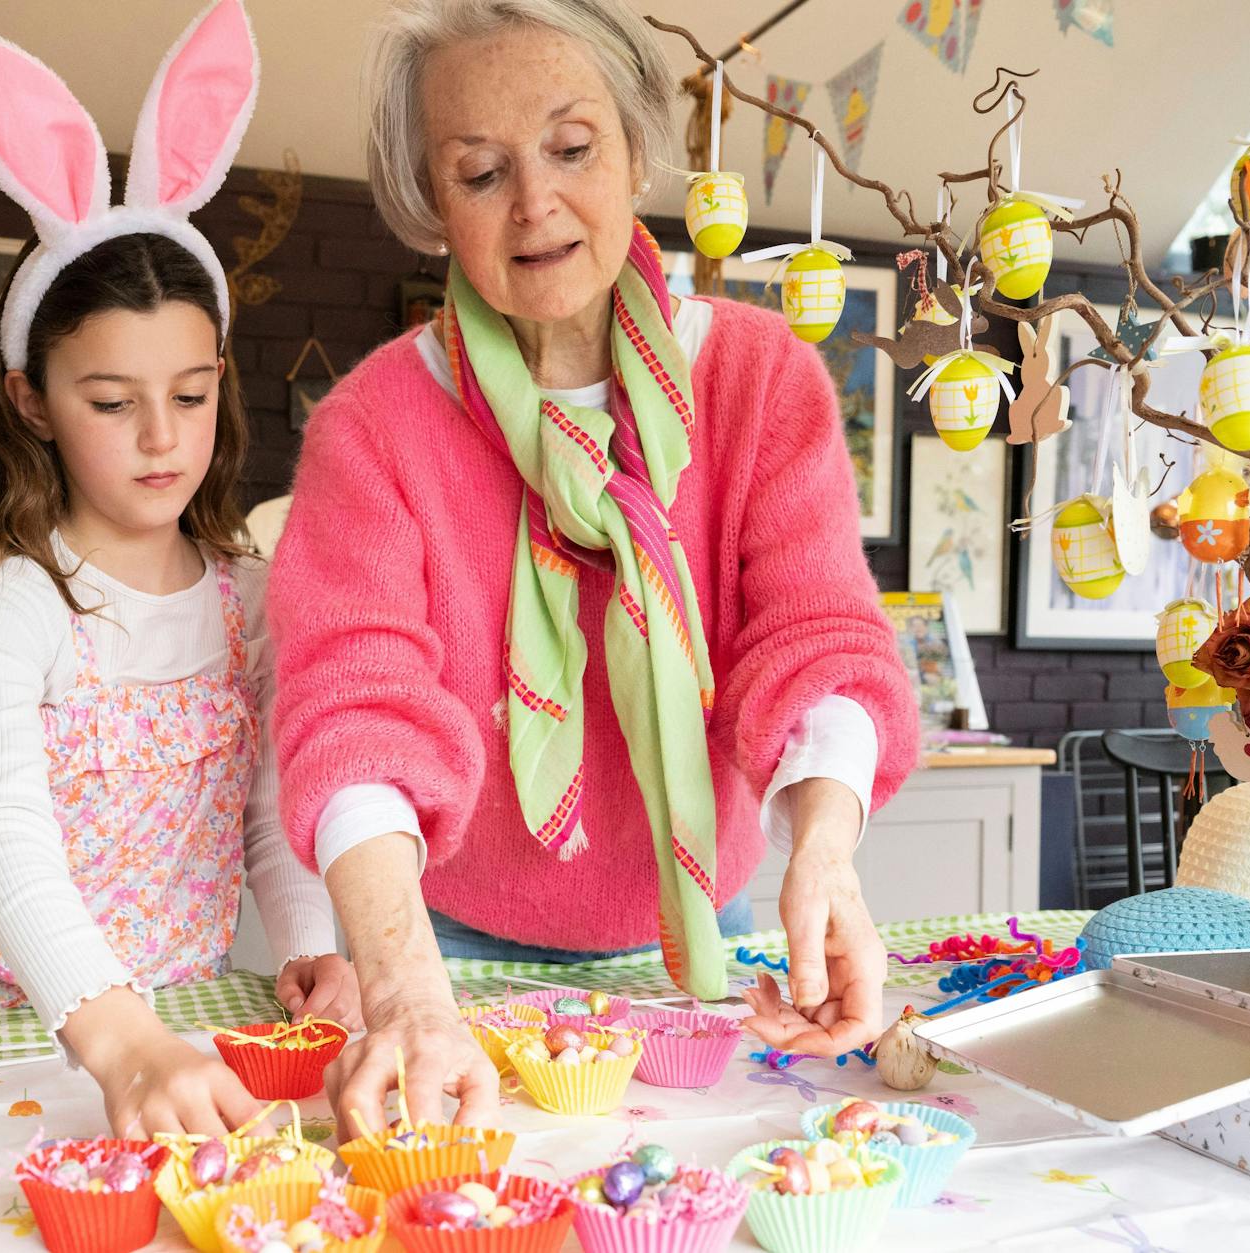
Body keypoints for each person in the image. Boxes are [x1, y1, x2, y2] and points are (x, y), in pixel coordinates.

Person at [270, 0, 919, 1137]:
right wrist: (406, 990)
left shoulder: (759, 380)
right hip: (447, 952)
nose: (534, 204)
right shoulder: (374, 424)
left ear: (636, 151)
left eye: (572, 150)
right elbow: (352, 706)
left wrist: (825, 857)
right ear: (428, 201)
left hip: (699, 937)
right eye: (478, 172)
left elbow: (815, 640)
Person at [0, 1, 358, 1138]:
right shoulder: (5, 600)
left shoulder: (242, 596)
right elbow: (5, 832)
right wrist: (116, 1036)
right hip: (0, 1029)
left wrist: (310, 947)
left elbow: (266, 813)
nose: (162, 437)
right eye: (111, 402)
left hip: (179, 1022)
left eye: (189, 394)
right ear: (29, 401)